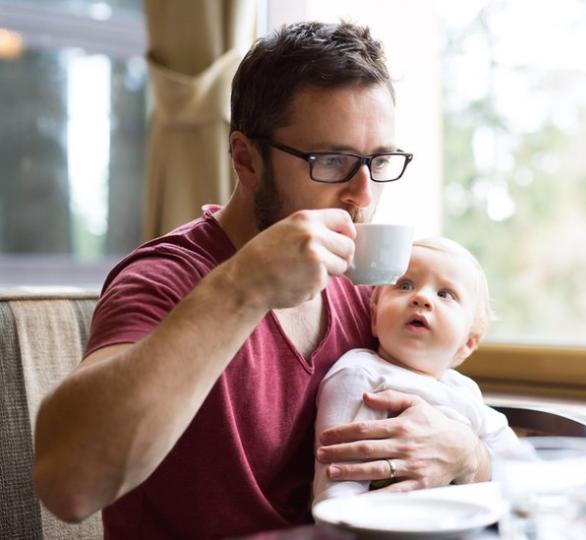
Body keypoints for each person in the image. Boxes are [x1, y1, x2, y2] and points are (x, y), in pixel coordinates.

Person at [31, 21, 491, 538]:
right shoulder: (166, 278)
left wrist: (465, 453)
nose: (363, 196)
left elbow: (473, 445)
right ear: (247, 160)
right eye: (332, 161)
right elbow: (68, 485)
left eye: (378, 161)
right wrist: (243, 287)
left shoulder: (367, 290)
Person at [313, 237, 529, 504]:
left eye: (445, 294)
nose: (422, 297)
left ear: (468, 342)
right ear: (374, 319)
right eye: (404, 285)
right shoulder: (359, 375)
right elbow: (336, 483)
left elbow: (518, 467)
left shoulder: (464, 390)